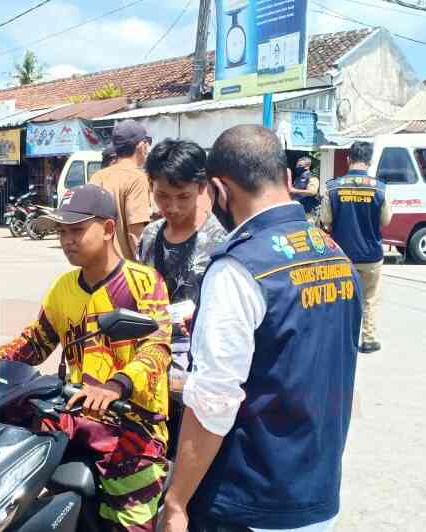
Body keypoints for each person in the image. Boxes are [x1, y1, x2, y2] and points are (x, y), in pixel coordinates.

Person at [161, 125, 362, 532]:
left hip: (249, 499)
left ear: (219, 189)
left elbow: (215, 400)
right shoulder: (335, 255)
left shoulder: (238, 268)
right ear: (286, 178)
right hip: (317, 491)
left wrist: (177, 501)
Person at [0, 184, 172, 532]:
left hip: (132, 428)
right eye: (62, 232)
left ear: (108, 229)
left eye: (76, 230)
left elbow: (157, 348)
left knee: (129, 525)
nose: (67, 240)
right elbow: (35, 342)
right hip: (73, 420)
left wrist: (117, 385)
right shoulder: (64, 287)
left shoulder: (144, 282)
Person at [136, 139, 228, 457]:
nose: (172, 207)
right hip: (152, 376)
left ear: (201, 188)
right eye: (162, 196)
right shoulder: (150, 237)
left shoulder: (220, 243)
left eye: (183, 197)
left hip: (197, 384)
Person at [321, 141, 392, 354]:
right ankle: (368, 339)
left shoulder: (333, 187)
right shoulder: (380, 188)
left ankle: (342, 340)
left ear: (348, 159)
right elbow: (386, 220)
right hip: (371, 255)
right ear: (369, 162)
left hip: (341, 256)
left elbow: (325, 219)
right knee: (370, 298)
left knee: (341, 298)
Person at [89, 120, 153, 259]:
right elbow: (135, 234)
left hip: (99, 264)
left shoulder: (97, 176)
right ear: (141, 145)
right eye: (147, 143)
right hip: (124, 267)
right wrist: (145, 266)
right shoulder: (137, 178)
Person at [288, 156, 320, 222]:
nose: (297, 167)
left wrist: (294, 190)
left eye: (300, 165)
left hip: (308, 213)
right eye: (297, 165)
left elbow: (312, 192)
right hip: (297, 211)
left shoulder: (312, 178)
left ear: (307, 167)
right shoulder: (298, 179)